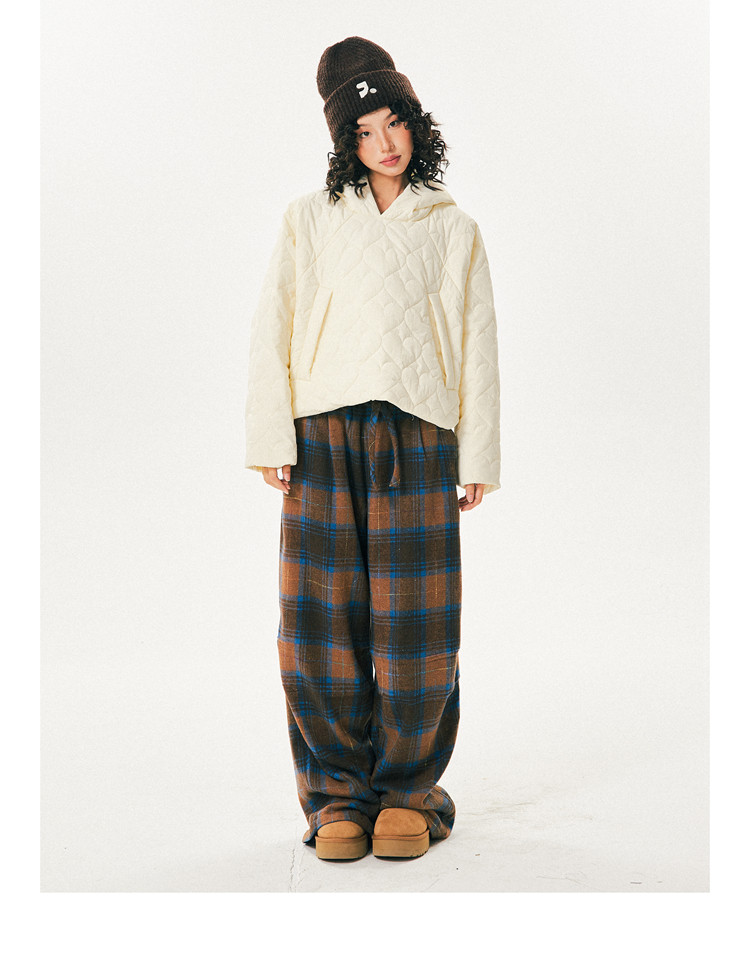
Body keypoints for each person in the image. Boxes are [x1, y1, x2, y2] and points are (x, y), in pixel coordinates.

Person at [244, 36, 501, 862]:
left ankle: (405, 792)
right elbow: (273, 326)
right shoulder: (309, 219)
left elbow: (478, 343)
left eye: (394, 122)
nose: (383, 143)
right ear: (343, 142)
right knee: (317, 620)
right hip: (320, 433)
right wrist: (271, 433)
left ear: (416, 122)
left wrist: (477, 455)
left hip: (418, 436)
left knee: (414, 626)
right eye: (362, 131)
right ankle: (337, 797)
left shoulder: (453, 227)